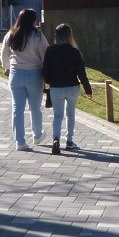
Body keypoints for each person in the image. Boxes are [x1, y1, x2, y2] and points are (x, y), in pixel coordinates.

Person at [0, 8, 48, 152]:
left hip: (15, 73)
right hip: (34, 73)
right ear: (33, 20)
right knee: (35, 108)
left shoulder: (11, 34)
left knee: (17, 109)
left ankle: (20, 141)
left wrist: (7, 67)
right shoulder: (38, 36)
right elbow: (45, 55)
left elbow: (4, 53)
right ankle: (37, 135)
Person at [41, 23, 92, 154]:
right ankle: (69, 140)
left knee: (57, 115)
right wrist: (88, 90)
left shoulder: (50, 51)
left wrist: (49, 82)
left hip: (56, 87)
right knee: (71, 114)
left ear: (56, 36)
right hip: (72, 86)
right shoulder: (75, 52)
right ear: (70, 36)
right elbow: (82, 73)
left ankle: (56, 139)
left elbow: (45, 72)